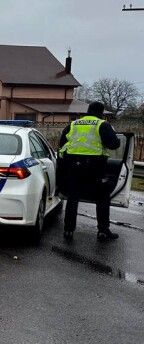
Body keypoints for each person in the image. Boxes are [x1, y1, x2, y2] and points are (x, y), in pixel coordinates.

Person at [59, 101, 121, 241]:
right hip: (95, 167)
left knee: (72, 198)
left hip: (74, 166)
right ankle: (103, 231)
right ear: (101, 112)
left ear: (88, 110)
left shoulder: (73, 124)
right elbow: (114, 144)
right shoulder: (102, 124)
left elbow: (62, 143)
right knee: (102, 197)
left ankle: (68, 230)